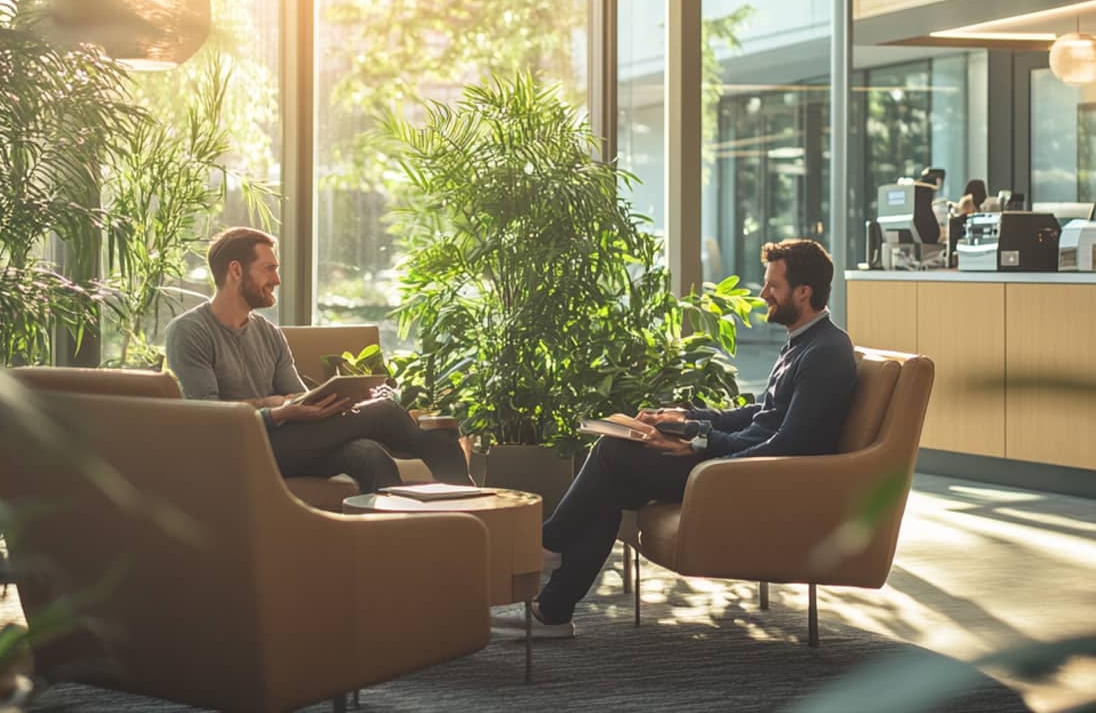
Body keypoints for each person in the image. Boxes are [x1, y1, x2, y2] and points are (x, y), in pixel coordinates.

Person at [494, 238, 857, 639]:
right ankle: (553, 610)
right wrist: (686, 418)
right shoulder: (804, 342)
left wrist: (699, 445)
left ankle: (551, 546)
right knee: (612, 474)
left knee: (614, 453)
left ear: (803, 292)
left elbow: (787, 445)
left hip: (752, 477)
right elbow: (759, 414)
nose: (763, 293)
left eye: (773, 285)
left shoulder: (825, 352)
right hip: (738, 462)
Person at [165, 227, 472, 493]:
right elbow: (209, 415)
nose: (277, 279)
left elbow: (297, 396)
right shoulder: (189, 332)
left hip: (284, 442)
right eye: (269, 268)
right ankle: (459, 485)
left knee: (369, 455)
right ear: (236, 271)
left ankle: (390, 549)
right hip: (237, 449)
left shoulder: (268, 333)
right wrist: (276, 410)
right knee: (388, 414)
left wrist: (339, 398)